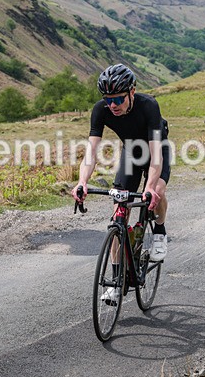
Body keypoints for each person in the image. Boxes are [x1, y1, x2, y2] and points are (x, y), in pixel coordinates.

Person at [72, 64, 171, 303]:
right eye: (108, 100)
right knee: (119, 212)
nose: (113, 105)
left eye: (118, 98)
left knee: (156, 190)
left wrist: (148, 187)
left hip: (156, 150)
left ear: (132, 92)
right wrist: (82, 181)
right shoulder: (101, 110)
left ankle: (159, 231)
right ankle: (116, 282)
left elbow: (156, 156)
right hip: (131, 154)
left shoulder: (149, 106)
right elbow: (91, 152)